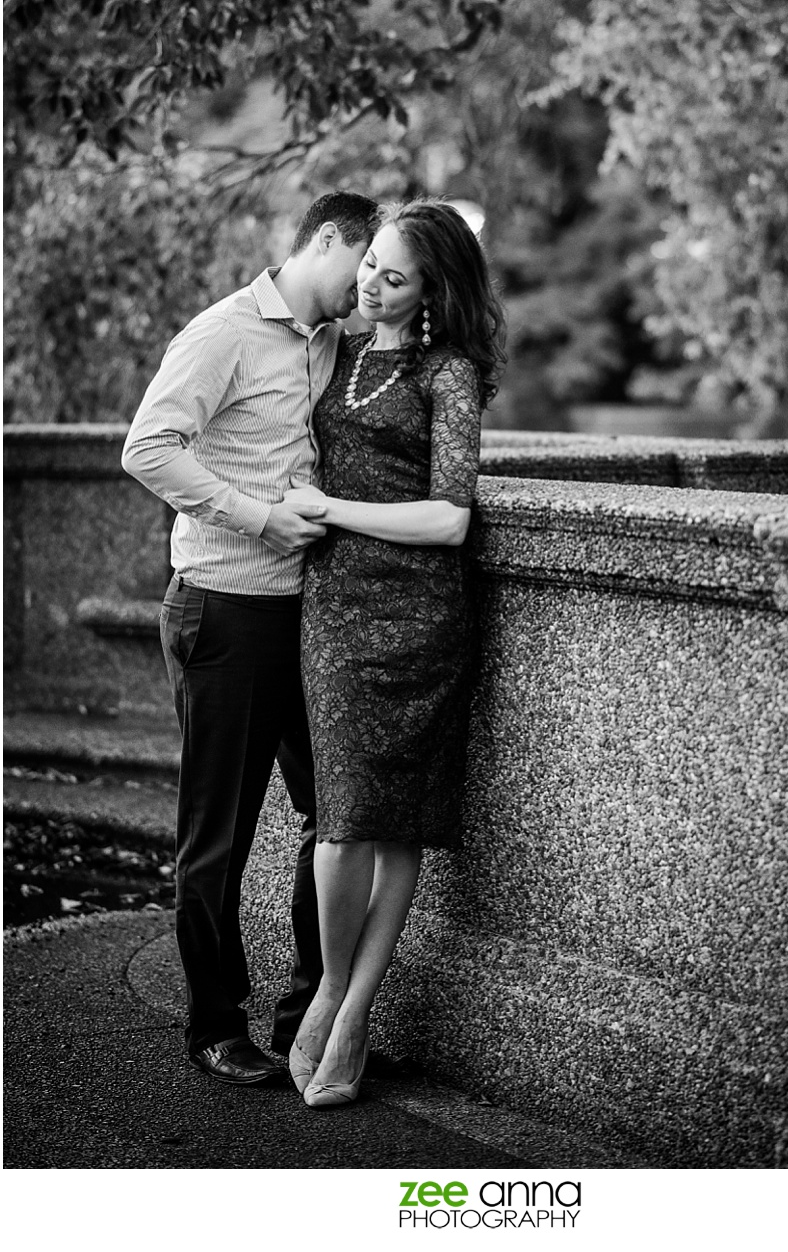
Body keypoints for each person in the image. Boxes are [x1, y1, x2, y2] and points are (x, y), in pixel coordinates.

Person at [121, 190, 381, 1086]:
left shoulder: (330, 342)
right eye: (365, 264)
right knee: (219, 833)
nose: (369, 286)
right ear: (326, 239)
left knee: (334, 814)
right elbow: (148, 447)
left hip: (304, 615)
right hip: (223, 610)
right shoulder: (224, 331)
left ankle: (310, 1021)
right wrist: (259, 516)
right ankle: (214, 1025)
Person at [281, 197, 506, 1107]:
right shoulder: (334, 350)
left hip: (420, 619)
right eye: (369, 262)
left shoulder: (449, 374)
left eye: (394, 276)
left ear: (432, 292)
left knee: (399, 824)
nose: (371, 283)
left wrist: (330, 508)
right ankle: (330, 985)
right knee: (341, 824)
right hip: (335, 612)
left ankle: (355, 1012)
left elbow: (451, 517)